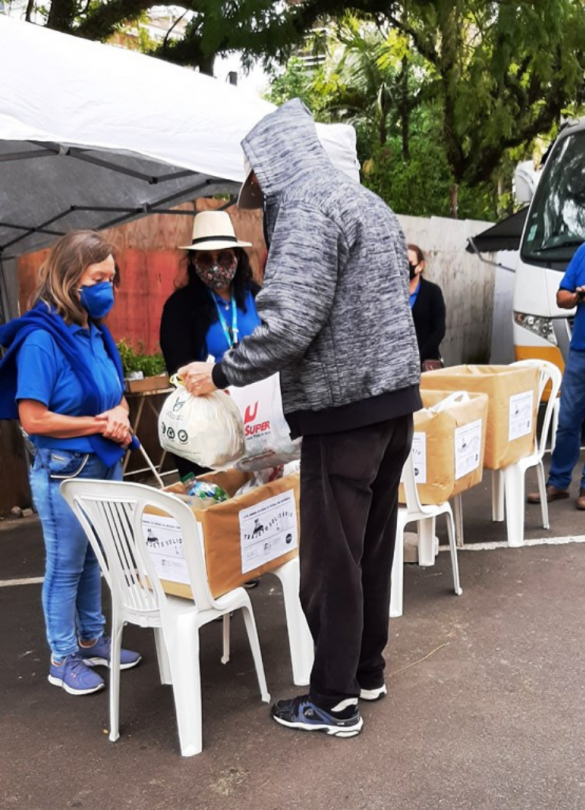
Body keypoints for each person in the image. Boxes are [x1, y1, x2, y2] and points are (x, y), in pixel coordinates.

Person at [177, 98, 421, 737]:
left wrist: (220, 370)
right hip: (393, 403)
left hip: (344, 412)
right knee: (370, 547)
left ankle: (334, 699)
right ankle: (366, 671)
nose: (251, 192)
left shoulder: (308, 209)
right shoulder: (366, 202)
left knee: (329, 559)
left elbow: (290, 323)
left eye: (253, 175)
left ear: (269, 164)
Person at [0, 230, 141, 696]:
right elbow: (33, 417)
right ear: (68, 277)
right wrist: (99, 426)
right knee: (65, 566)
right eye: (98, 277)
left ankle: (91, 638)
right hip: (65, 469)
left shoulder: (91, 330)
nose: (108, 288)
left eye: (112, 278)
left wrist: (118, 416)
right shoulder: (41, 340)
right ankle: (63, 658)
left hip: (99, 463)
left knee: (90, 561)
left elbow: (115, 393)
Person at [159, 210, 260, 478]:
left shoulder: (258, 296)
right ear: (193, 262)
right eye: (206, 259)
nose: (215, 266)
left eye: (223, 257)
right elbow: (177, 372)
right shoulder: (179, 308)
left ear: (237, 257)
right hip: (211, 426)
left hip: (260, 417)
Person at [529, 190, 585, 511]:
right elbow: (562, 295)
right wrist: (576, 295)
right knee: (567, 420)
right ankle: (558, 483)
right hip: (581, 350)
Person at [408, 244, 446, 369]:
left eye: (409, 262)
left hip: (424, 364)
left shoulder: (432, 292)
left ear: (420, 265)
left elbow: (439, 330)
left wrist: (418, 356)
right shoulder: (394, 293)